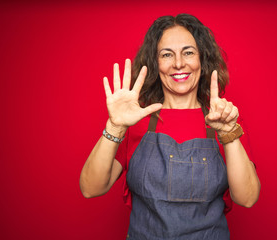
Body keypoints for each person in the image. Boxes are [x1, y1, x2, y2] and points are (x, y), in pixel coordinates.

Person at [80, 14, 260, 240]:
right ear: (156, 64)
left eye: (188, 52)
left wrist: (228, 134)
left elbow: (248, 198)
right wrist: (115, 126)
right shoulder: (135, 121)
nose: (178, 63)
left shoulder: (225, 121)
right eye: (167, 54)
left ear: (202, 59)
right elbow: (91, 188)